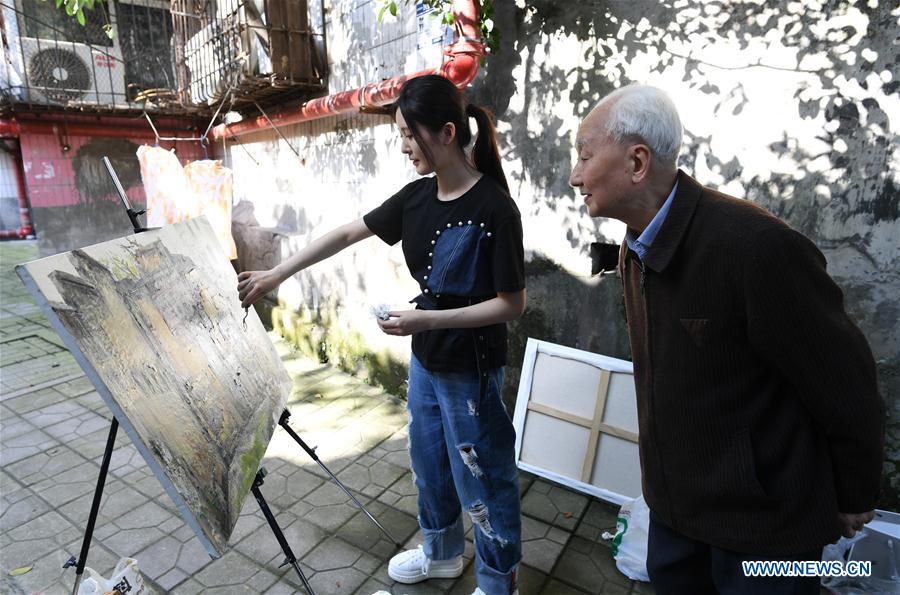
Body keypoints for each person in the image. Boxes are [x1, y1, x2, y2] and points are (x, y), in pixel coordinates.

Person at [568, 84, 885, 594]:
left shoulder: (758, 250)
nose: (575, 176)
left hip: (764, 532)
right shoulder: (636, 246)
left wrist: (854, 492)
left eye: (584, 156)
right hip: (675, 516)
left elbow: (844, 381)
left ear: (637, 162)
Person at [238, 74, 525, 595]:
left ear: (446, 131)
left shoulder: (494, 210)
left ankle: (497, 580)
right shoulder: (416, 198)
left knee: (483, 478)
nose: (403, 146)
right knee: (429, 464)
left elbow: (511, 303)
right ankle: (440, 555)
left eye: (409, 135)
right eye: (398, 135)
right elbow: (348, 231)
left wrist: (426, 320)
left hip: (472, 372)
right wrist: (277, 274)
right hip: (427, 361)